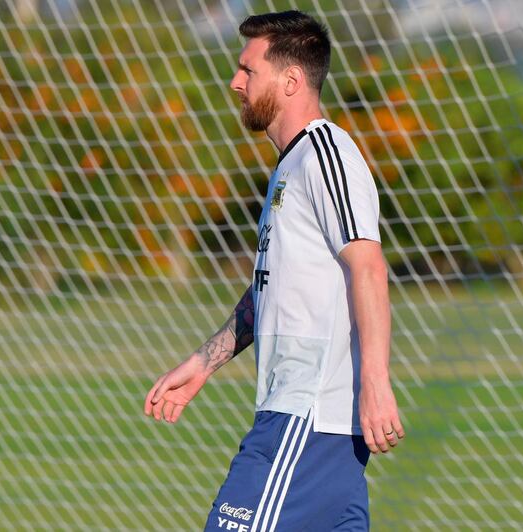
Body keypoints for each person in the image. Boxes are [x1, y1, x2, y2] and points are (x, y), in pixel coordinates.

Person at [144, 10, 404, 531]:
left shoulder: (325, 156)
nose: (235, 82)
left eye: (248, 70)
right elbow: (268, 290)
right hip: (304, 423)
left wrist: (376, 382)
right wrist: (203, 363)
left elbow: (368, 266)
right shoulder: (291, 166)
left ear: (290, 80)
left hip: (304, 420)